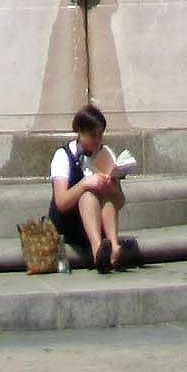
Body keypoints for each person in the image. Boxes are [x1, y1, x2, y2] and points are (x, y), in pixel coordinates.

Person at [49, 103, 136, 271]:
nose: (97, 140)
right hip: (70, 223)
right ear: (80, 133)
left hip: (97, 221)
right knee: (88, 194)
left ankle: (113, 246)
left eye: (100, 135)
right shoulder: (63, 156)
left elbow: (120, 202)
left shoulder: (105, 154)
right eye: (92, 135)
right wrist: (84, 184)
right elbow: (61, 202)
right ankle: (98, 251)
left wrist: (112, 188)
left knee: (108, 195)